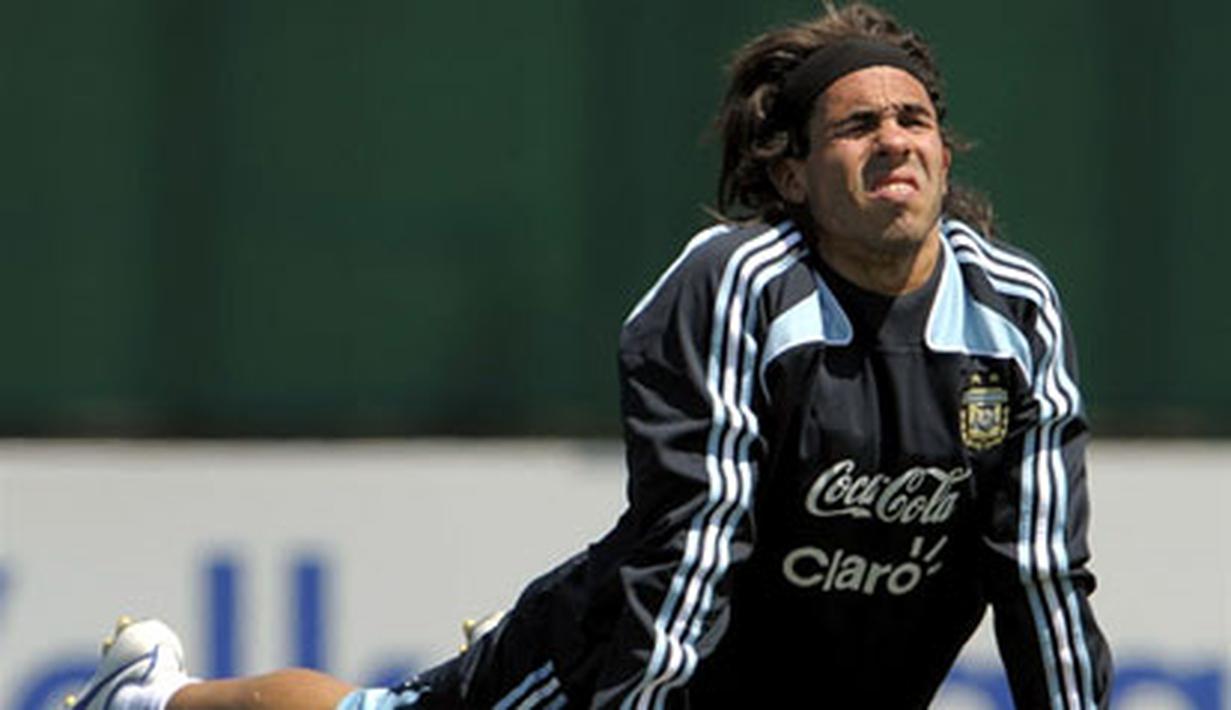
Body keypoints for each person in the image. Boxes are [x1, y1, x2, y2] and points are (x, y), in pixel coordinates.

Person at [68, 2, 1113, 708]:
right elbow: (695, 544)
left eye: (913, 119)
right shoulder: (739, 285)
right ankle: (156, 693)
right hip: (631, 666)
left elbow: (1037, 573)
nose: (893, 139)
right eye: (854, 126)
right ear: (791, 177)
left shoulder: (1014, 311)